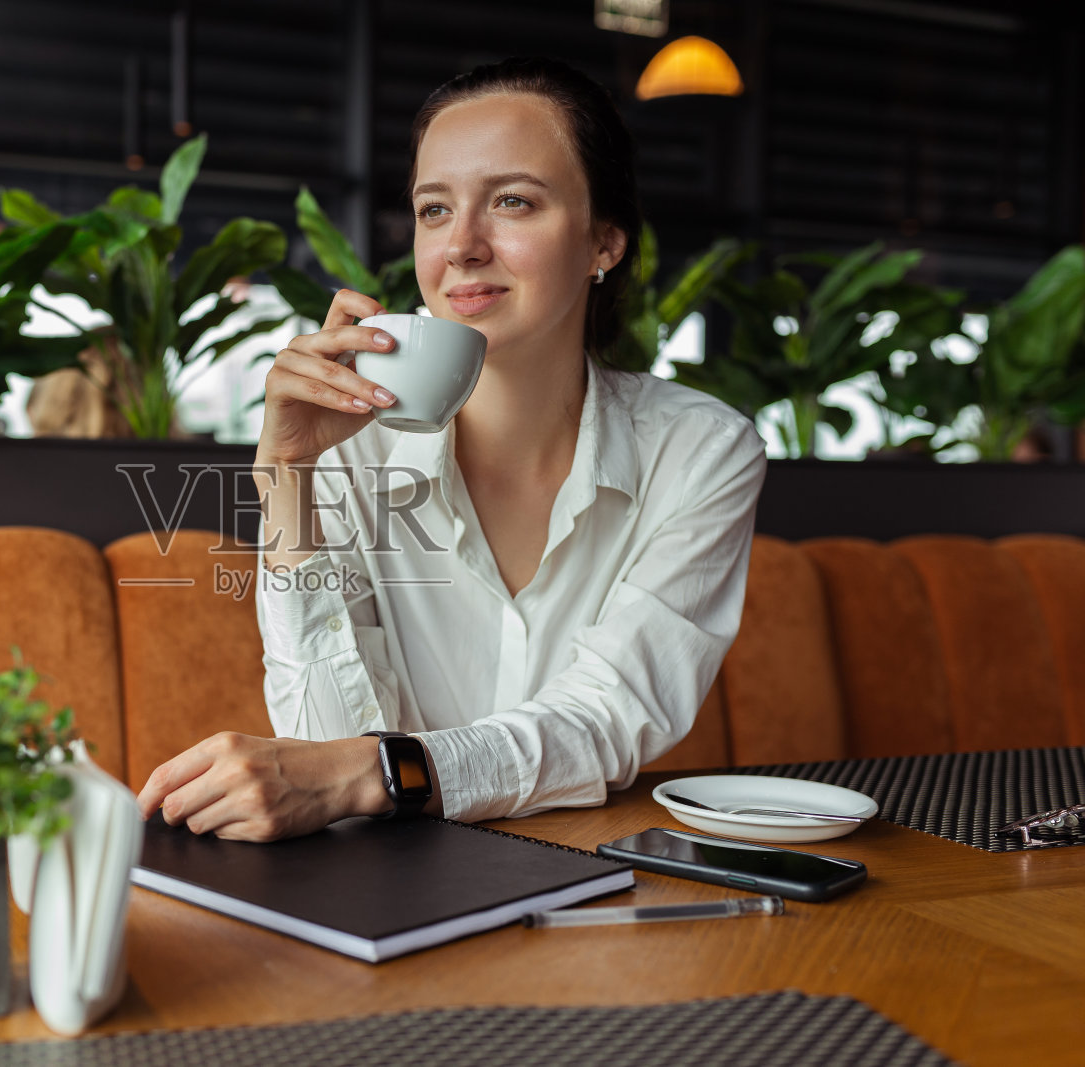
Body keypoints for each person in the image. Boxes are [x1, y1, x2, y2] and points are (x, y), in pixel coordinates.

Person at [135, 56, 766, 841]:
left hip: (595, 889)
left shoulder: (700, 451)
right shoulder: (349, 444)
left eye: (512, 201)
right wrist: (287, 479)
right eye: (435, 209)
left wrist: (377, 773)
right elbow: (320, 736)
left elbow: (606, 719)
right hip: (385, 896)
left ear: (604, 241)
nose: (461, 246)